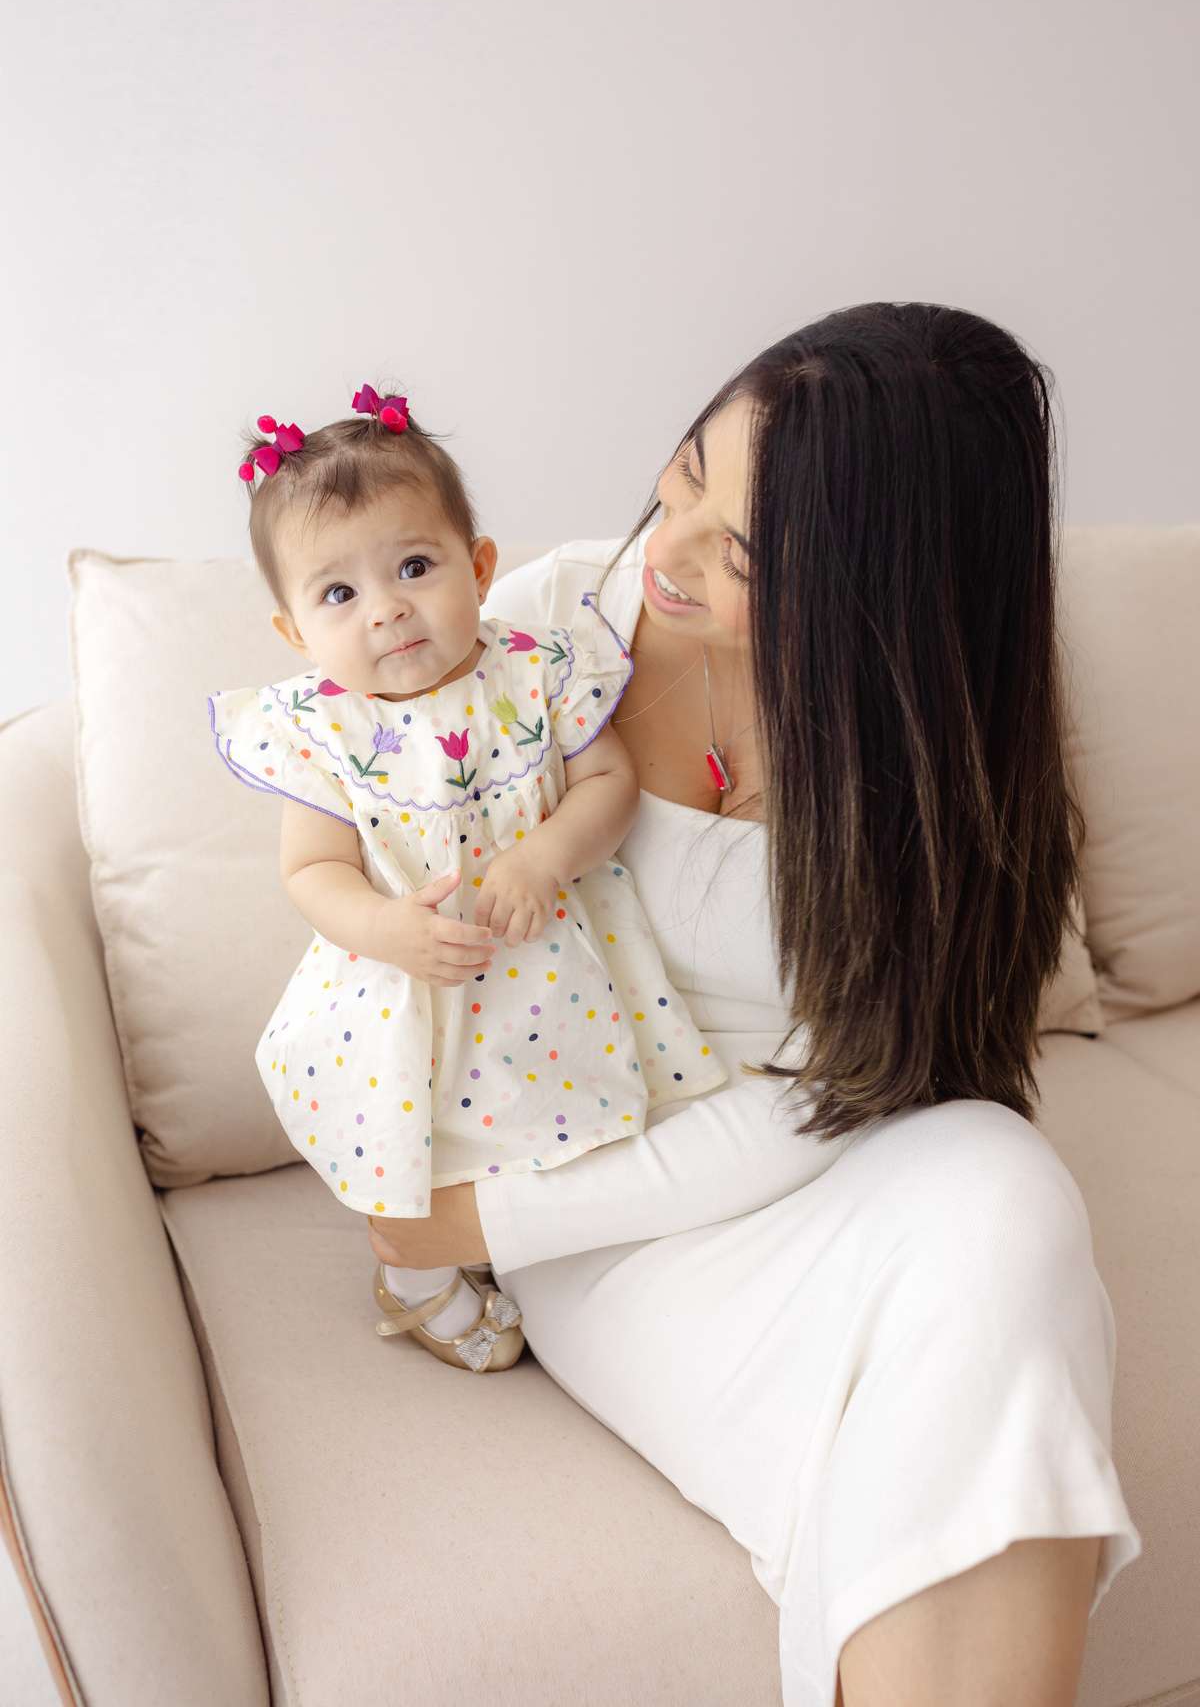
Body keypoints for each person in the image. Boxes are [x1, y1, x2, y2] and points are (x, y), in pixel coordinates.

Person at [369, 305, 1141, 1704]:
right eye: (682, 477)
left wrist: (479, 1229)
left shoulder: (925, 757)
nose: (663, 552)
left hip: (832, 1141)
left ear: (877, 593)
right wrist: (479, 1208)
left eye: (739, 555)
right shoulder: (533, 640)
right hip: (606, 1196)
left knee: (1012, 1193)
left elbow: (857, 1088)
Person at [208, 385, 724, 1372]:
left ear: (479, 567)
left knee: (557, 1102)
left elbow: (609, 783)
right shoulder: (323, 730)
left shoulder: (537, 672)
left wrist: (544, 855)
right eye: (338, 594)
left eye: (414, 566)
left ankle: (536, 1240)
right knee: (418, 1131)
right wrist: (383, 927)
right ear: (294, 633)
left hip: (543, 960)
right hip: (409, 978)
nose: (387, 608)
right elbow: (311, 869)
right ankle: (414, 1273)